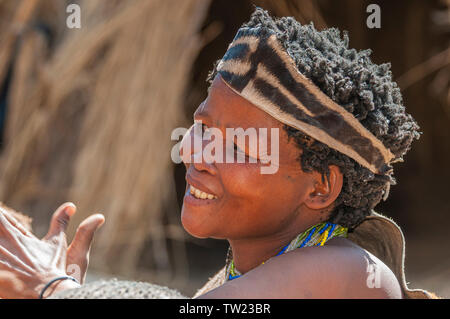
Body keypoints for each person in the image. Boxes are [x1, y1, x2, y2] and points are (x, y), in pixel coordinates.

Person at [0, 8, 437, 299]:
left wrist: (54, 288)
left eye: (237, 145)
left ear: (320, 187)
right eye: (202, 127)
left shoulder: (342, 272)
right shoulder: (244, 280)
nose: (193, 151)